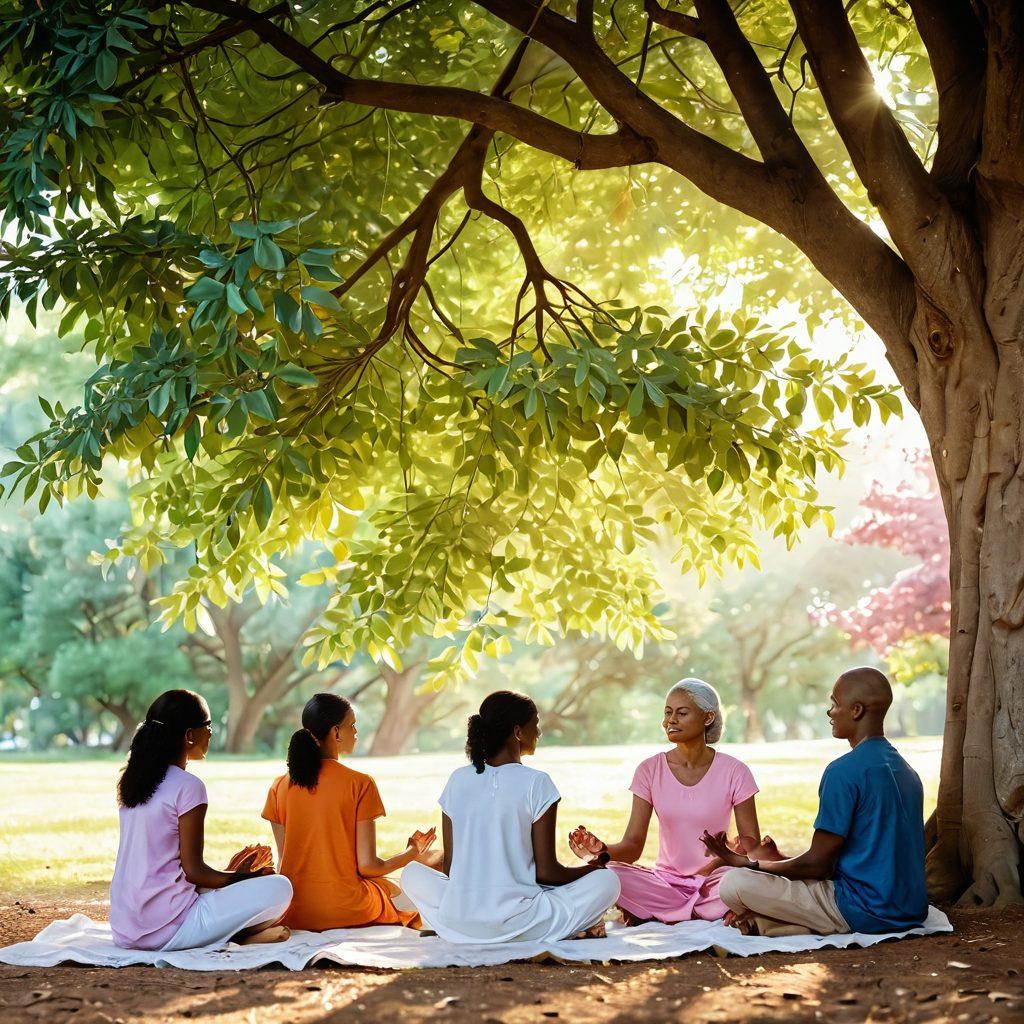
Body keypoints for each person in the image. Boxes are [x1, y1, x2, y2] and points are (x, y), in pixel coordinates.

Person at [702, 667, 928, 937]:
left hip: (863, 909)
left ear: (856, 710)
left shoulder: (843, 772)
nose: (829, 712)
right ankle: (773, 923)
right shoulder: (907, 771)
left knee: (733, 884)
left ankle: (782, 920)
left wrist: (749, 865)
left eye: (834, 704)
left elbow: (819, 865)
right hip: (911, 909)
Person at [401, 691, 620, 943]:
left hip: (460, 920)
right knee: (608, 881)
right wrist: (593, 868)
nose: (538, 733)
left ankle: (444, 925)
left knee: (412, 874)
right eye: (535, 725)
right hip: (522, 922)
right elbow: (547, 873)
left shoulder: (457, 779)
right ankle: (569, 926)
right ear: (518, 732)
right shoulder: (537, 782)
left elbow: (452, 869)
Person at [568, 679, 770, 924]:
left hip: (716, 882)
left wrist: (722, 856)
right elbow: (632, 846)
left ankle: (665, 913)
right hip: (665, 883)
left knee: (745, 880)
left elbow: (751, 842)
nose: (670, 720)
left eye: (681, 713)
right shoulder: (649, 770)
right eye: (667, 712)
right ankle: (704, 911)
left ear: (707, 718)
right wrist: (601, 852)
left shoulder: (735, 771)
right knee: (610, 875)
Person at [110, 689, 293, 951]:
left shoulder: (133, 781)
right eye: (208, 725)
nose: (211, 732)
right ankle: (234, 937)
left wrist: (232, 877)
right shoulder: (188, 786)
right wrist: (245, 879)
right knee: (280, 888)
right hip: (167, 929)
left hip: (125, 928)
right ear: (189, 736)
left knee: (237, 887)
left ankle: (226, 934)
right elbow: (194, 871)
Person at [262, 692, 436, 932]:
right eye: (352, 725)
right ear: (335, 732)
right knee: (396, 891)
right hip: (348, 907)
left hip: (296, 912)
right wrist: (412, 852)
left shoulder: (279, 786)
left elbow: (286, 862)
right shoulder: (360, 783)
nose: (355, 732)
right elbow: (369, 867)